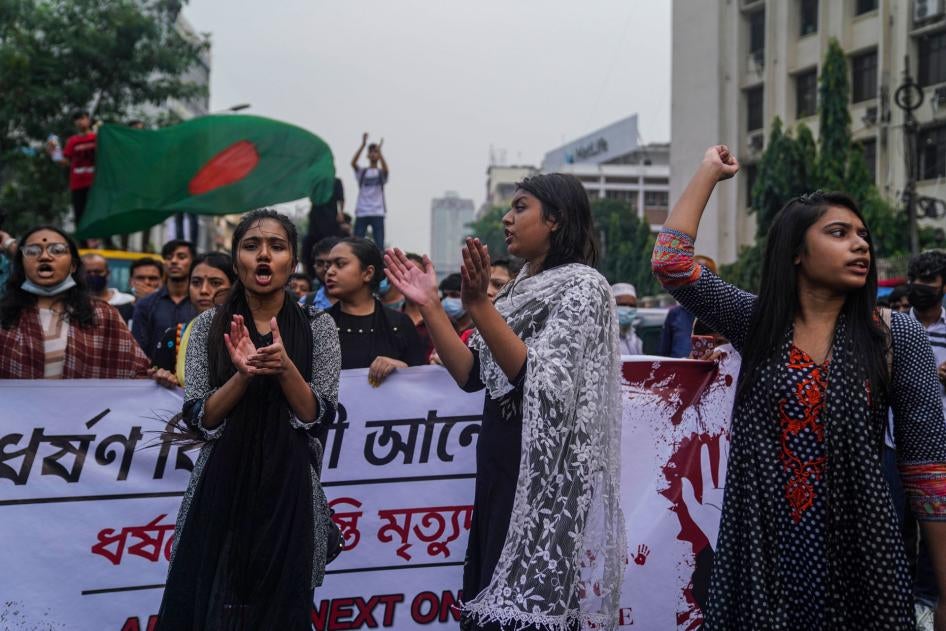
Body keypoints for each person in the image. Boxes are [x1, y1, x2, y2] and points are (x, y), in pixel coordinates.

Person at [652, 145, 946, 629]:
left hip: (862, 559)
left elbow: (928, 469)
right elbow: (671, 264)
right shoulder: (757, 322)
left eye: (863, 235)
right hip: (761, 559)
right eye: (839, 233)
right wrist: (708, 171)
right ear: (796, 251)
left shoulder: (896, 335)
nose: (861, 245)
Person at [385, 173, 625, 629]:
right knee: (487, 594)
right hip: (499, 469)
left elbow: (539, 379)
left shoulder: (585, 286)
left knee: (526, 611)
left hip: (539, 476)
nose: (506, 219)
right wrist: (431, 304)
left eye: (520, 207)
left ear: (555, 219)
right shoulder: (517, 289)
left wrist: (479, 306)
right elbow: (470, 373)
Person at [156, 209, 340, 629]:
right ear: (237, 258)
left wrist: (285, 368)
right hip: (220, 486)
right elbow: (199, 419)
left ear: (293, 262)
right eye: (252, 245)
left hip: (291, 490)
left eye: (276, 246)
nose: (264, 255)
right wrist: (242, 376)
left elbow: (318, 416)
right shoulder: (206, 326)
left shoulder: (319, 327)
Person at [0, 226, 148, 378]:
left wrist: (157, 378)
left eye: (57, 250)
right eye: (32, 251)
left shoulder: (103, 314)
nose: (44, 257)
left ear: (73, 266)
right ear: (21, 264)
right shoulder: (3, 316)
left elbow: (139, 373)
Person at [323, 237, 425, 386]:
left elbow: (423, 380)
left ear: (368, 273)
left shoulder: (399, 324)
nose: (330, 272)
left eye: (340, 264)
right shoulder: (317, 324)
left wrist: (402, 369)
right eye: (328, 266)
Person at [151, 252, 235, 389]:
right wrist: (164, 379)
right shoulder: (174, 337)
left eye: (215, 283)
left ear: (234, 288)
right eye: (196, 282)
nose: (203, 290)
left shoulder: (247, 336)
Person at [132, 240, 197, 360]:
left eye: (181, 257)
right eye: (168, 257)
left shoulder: (201, 303)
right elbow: (138, 349)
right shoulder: (146, 304)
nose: (174, 261)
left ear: (193, 262)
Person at [658, 254, 718, 358]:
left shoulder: (722, 314)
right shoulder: (675, 314)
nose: (701, 282)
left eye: (707, 277)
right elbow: (664, 355)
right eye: (696, 276)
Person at [50, 111, 96, 229]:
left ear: (88, 120)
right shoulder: (72, 141)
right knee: (80, 215)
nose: (80, 121)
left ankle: (105, 238)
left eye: (82, 118)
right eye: (77, 119)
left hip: (96, 183)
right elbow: (65, 162)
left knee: (98, 213)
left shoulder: (97, 138)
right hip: (78, 184)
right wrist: (53, 152)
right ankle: (83, 239)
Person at [351, 133, 389, 247]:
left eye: (375, 152)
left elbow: (386, 170)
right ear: (368, 155)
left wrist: (381, 153)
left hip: (377, 212)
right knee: (356, 245)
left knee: (379, 245)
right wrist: (363, 145)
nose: (373, 154)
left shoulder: (381, 173)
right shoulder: (362, 172)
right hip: (362, 211)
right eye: (371, 152)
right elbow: (353, 163)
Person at [302, 177, 345, 275]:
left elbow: (341, 199)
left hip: (331, 218)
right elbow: (310, 196)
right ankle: (309, 275)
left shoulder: (336, 182)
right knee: (309, 244)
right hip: (316, 219)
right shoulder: (315, 182)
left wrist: (341, 212)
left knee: (333, 244)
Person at [81, 253, 135, 323]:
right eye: (87, 272)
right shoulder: (74, 304)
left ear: (108, 273)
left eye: (98, 272)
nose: (93, 275)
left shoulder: (128, 300)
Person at [299, 237, 339, 310]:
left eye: (330, 263)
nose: (325, 268)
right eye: (320, 263)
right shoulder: (306, 302)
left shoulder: (357, 301)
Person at [612, 282, 643, 355]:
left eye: (632, 306)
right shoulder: (606, 340)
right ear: (612, 305)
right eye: (622, 304)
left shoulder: (635, 340)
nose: (628, 309)